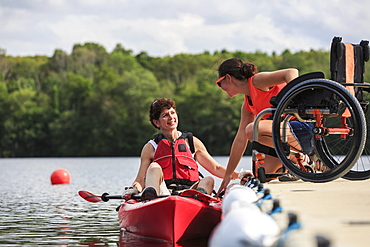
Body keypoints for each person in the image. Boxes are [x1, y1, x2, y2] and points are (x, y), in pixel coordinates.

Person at [215, 58, 302, 195]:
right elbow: (240, 140)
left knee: (252, 129)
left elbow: (291, 72)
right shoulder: (247, 105)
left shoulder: (257, 81)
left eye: (219, 84)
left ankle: (301, 157)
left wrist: (296, 100)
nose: (220, 88)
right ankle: (298, 165)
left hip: (299, 127)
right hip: (284, 135)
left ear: (228, 78)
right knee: (262, 174)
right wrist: (228, 174)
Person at [123, 98, 239, 201]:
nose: (171, 117)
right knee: (154, 167)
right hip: (163, 194)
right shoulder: (151, 147)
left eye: (172, 113)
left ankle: (198, 200)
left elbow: (216, 168)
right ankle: (150, 198)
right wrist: (133, 190)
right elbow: (140, 180)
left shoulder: (192, 142)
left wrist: (240, 175)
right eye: (165, 115)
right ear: (156, 122)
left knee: (208, 180)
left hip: (190, 193)